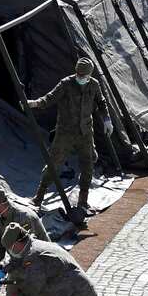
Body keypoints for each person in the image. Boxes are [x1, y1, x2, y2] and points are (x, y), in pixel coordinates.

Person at [27, 57, 112, 211]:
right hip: (65, 132)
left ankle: (83, 200)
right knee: (54, 163)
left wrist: (107, 120)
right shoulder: (66, 84)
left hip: (85, 131)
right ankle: (38, 197)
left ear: (89, 75)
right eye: (78, 75)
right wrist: (34, 103)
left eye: (84, 76)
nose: (81, 78)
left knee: (88, 164)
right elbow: (49, 99)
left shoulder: (94, 85)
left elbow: (101, 103)